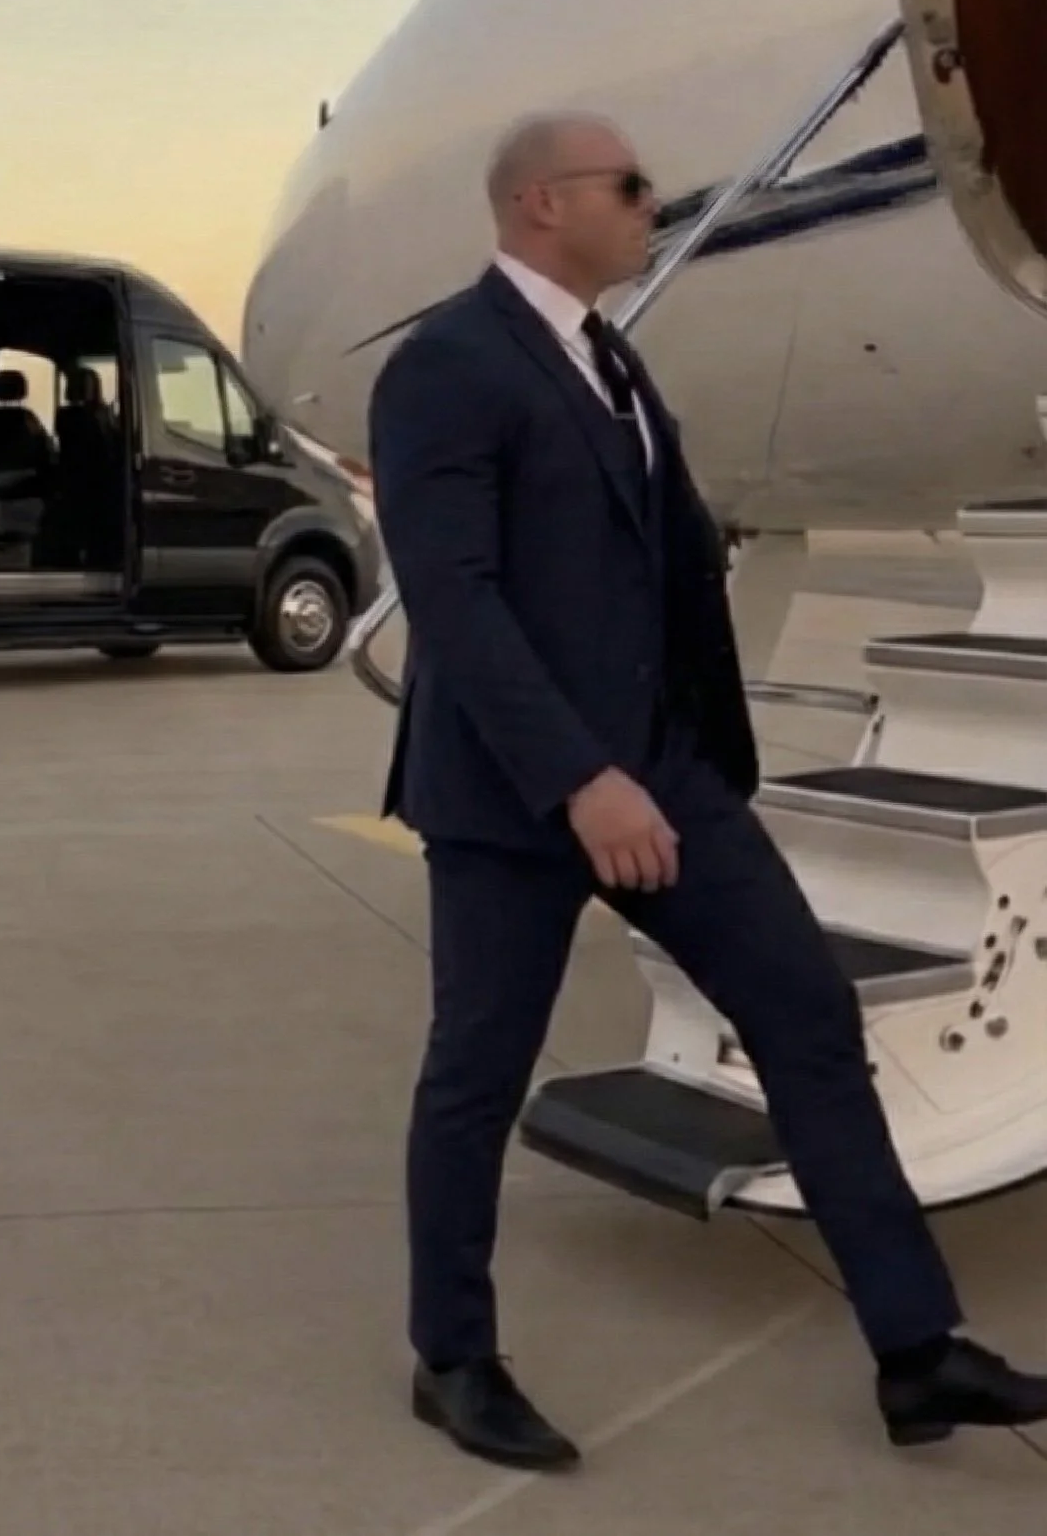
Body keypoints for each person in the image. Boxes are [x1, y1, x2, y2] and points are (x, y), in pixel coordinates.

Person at [366, 107, 1047, 1471]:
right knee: (475, 1072)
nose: (653, 202)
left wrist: (686, 759)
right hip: (515, 796)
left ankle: (916, 1352)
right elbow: (457, 601)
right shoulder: (445, 363)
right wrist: (582, 777)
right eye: (631, 185)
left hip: (666, 776)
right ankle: (453, 1354)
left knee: (804, 1010)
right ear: (543, 201)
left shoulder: (610, 360)